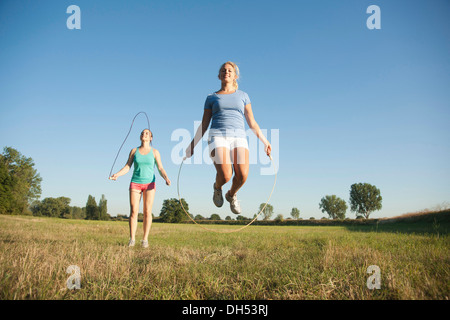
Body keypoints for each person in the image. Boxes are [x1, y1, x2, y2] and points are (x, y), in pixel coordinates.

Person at [186, 61, 271, 214]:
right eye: (224, 70)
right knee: (225, 175)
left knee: (243, 175)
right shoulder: (211, 97)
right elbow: (204, 124)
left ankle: (231, 194)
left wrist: (265, 142)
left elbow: (251, 122)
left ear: (235, 76)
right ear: (219, 76)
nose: (226, 72)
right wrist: (192, 145)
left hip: (239, 137)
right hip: (217, 136)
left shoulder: (243, 96)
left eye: (230, 71)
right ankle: (217, 187)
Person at [110, 129, 171, 247]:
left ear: (151, 138)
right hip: (135, 183)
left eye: (147, 133)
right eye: (143, 133)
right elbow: (127, 166)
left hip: (149, 184)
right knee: (134, 211)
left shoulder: (155, 152)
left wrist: (166, 178)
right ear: (140, 137)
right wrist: (117, 174)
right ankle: (132, 239)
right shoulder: (134, 151)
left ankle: (145, 240)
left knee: (147, 211)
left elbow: (160, 168)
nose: (144, 134)